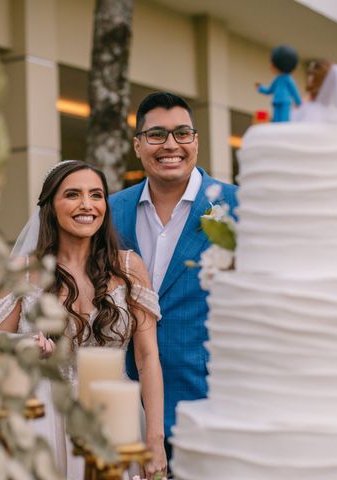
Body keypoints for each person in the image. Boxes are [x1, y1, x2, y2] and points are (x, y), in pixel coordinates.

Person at [0, 160, 168, 479]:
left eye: (96, 195)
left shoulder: (128, 267)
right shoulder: (21, 270)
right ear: (50, 206)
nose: (87, 205)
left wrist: (154, 437)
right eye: (72, 194)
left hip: (113, 418)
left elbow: (148, 356)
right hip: (43, 421)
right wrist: (23, 345)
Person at [109, 92, 238, 459]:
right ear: (137, 145)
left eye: (182, 133)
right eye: (156, 135)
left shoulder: (239, 207)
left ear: (196, 141)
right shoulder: (111, 211)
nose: (171, 145)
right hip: (128, 413)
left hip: (212, 410)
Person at [256, 44, 302, 122]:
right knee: (276, 120)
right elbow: (270, 90)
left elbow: (294, 92)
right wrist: (260, 88)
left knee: (283, 120)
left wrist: (299, 103)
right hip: (276, 101)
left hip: (285, 102)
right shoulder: (277, 79)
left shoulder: (288, 79)